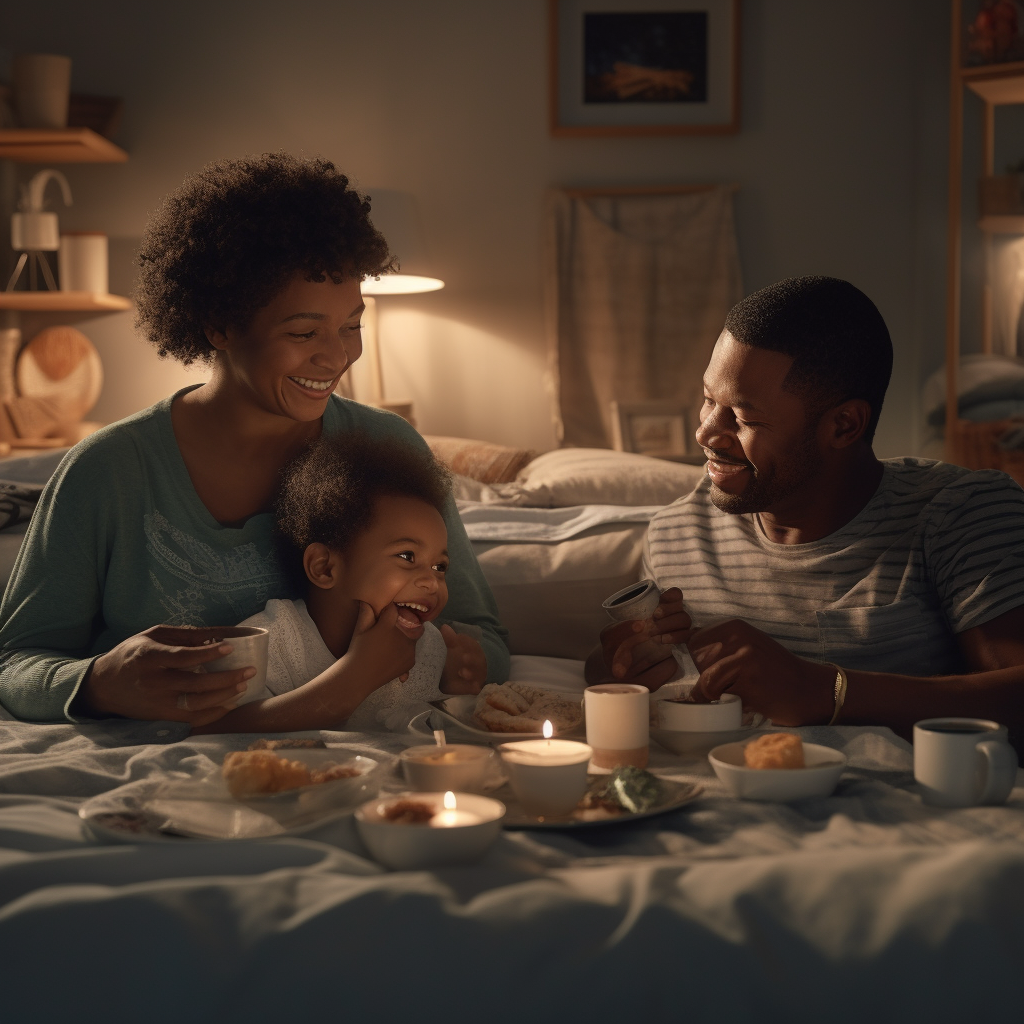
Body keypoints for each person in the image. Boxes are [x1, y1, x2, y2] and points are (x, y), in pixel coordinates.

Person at [0, 154, 508, 726]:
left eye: (351, 326)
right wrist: (98, 681)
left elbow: (482, 635)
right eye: (303, 331)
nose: (337, 356)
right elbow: (15, 662)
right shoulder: (108, 470)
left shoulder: (387, 446)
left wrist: (465, 661)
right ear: (219, 323)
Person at [588, 276, 1024, 737]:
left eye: (743, 418)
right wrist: (615, 667)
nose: (706, 434)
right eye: (708, 400)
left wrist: (824, 690)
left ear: (843, 425)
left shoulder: (962, 512)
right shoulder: (675, 533)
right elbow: (641, 678)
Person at [201, 431, 460, 733]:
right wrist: (355, 678)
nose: (431, 581)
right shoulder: (271, 643)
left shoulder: (431, 648)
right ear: (324, 568)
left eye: (439, 566)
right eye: (406, 556)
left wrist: (457, 692)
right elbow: (215, 732)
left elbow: (437, 741)